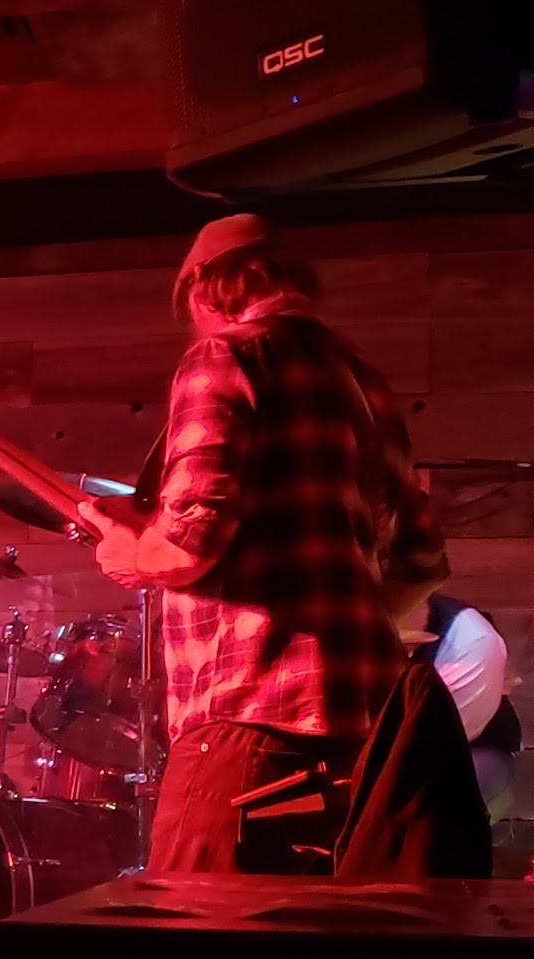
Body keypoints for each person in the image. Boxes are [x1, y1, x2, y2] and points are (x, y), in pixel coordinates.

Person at [79, 215, 449, 875]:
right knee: (314, 940)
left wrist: (132, 554)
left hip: (250, 727)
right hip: (365, 742)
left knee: (199, 933)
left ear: (202, 290)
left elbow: (191, 542)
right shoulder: (366, 383)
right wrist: (329, 632)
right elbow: (421, 567)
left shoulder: (227, 355)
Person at [403, 592, 520, 820]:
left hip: (464, 752)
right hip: (385, 754)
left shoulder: (469, 642)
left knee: (447, 803)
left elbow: (426, 745)